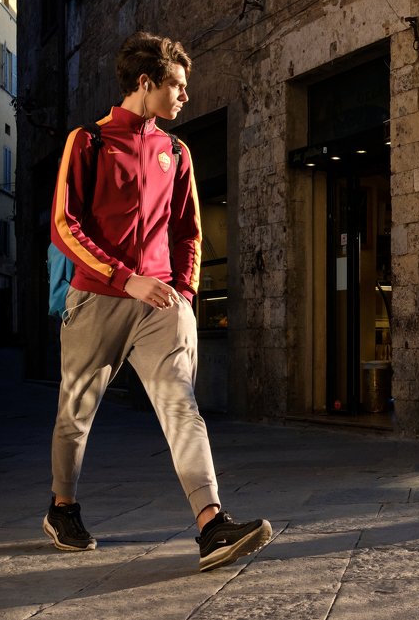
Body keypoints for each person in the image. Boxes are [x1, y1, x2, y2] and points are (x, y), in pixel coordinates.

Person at [44, 31, 271, 573]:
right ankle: (62, 507)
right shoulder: (87, 142)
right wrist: (125, 279)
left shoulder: (177, 151)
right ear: (146, 84)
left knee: (181, 407)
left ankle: (211, 524)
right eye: (178, 86)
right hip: (96, 298)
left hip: (162, 304)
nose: (185, 96)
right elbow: (63, 226)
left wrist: (186, 295)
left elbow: (189, 231)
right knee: (75, 412)